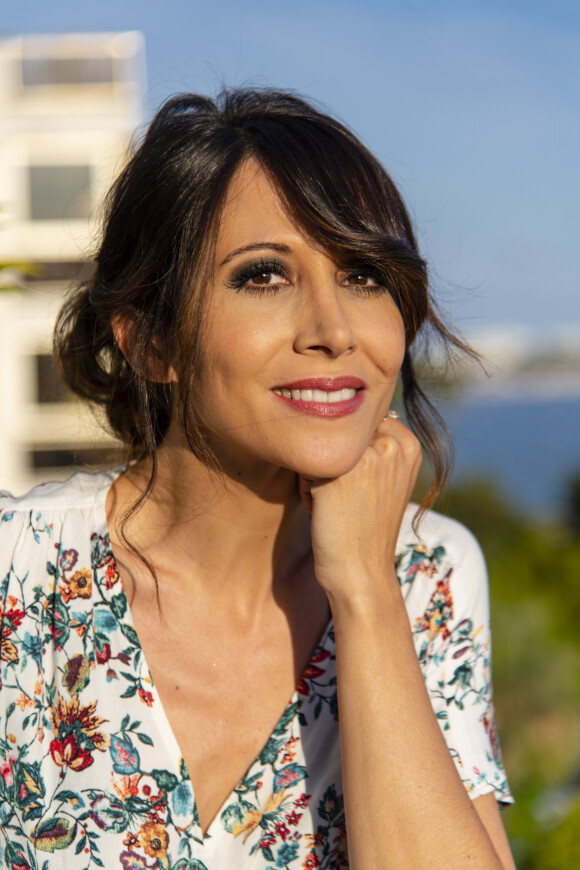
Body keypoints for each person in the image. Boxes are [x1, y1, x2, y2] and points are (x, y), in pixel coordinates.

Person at [0, 89, 515, 869]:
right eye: (265, 276)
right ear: (149, 342)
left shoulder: (428, 575)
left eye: (365, 276)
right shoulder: (20, 573)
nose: (334, 330)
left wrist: (367, 595)